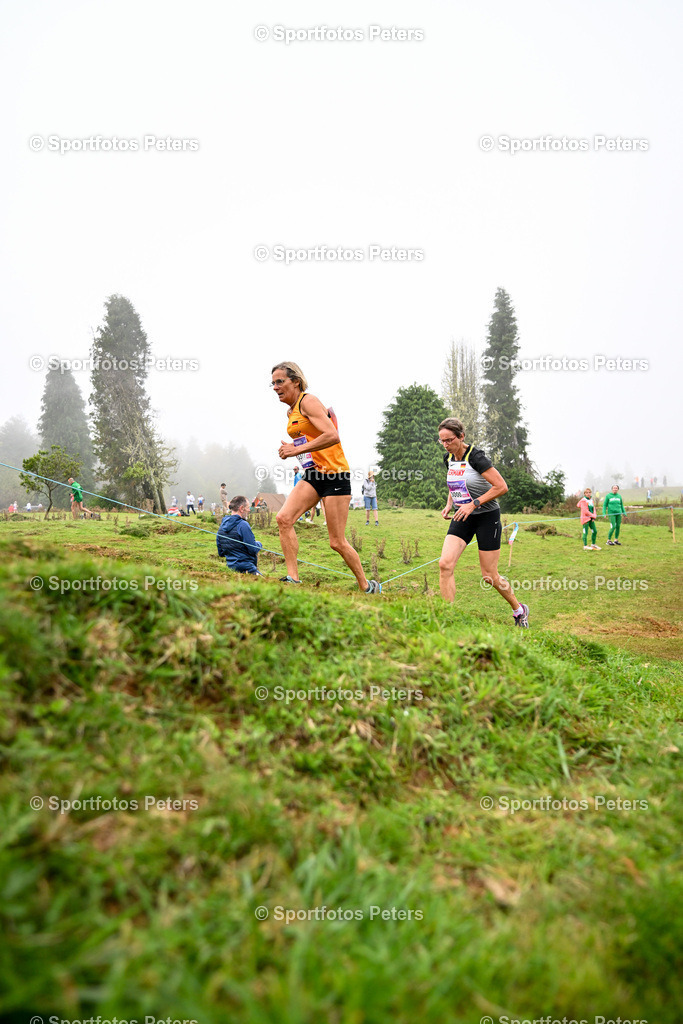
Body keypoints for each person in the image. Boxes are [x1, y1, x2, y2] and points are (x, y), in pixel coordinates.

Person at [271, 361, 380, 593]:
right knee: (284, 519)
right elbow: (309, 440)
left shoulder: (308, 401)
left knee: (336, 542)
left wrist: (295, 450)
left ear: (296, 382)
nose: (275, 387)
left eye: (280, 382)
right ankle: (293, 578)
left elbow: (332, 435)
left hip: (335, 475)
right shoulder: (290, 412)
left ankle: (367, 586)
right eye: (272, 383)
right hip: (313, 474)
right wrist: (294, 447)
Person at [437, 417, 529, 627]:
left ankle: (519, 609)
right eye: (442, 441)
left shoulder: (476, 457)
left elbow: (501, 487)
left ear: (461, 437)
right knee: (445, 564)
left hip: (486, 517)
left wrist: (474, 504)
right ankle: (447, 618)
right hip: (463, 516)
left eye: (449, 440)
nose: (446, 445)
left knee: (489, 575)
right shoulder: (448, 458)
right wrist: (449, 503)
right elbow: (455, 482)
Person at [216, 494, 263, 575]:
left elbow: (221, 553)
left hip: (231, 569)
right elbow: (253, 549)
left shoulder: (222, 525)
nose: (249, 510)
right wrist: (259, 544)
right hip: (247, 569)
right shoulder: (243, 525)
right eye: (248, 507)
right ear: (241, 508)